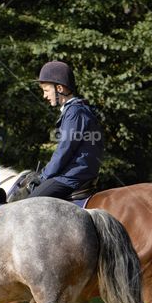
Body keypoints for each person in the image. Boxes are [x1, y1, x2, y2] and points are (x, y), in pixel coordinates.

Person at [29, 60, 104, 200]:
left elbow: (65, 149)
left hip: (71, 176)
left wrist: (43, 176)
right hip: (75, 173)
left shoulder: (74, 112)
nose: (44, 96)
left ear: (59, 88)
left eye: (46, 90)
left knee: (28, 203)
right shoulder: (76, 110)